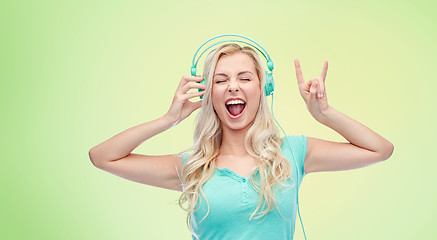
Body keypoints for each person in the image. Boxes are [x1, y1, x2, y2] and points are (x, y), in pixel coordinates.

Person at [89, 43, 394, 240]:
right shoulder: (192, 167)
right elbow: (102, 157)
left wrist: (324, 113)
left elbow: (380, 149)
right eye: (220, 80)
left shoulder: (295, 152)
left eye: (245, 78)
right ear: (208, 93)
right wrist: (168, 119)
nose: (233, 86)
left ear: (263, 88)